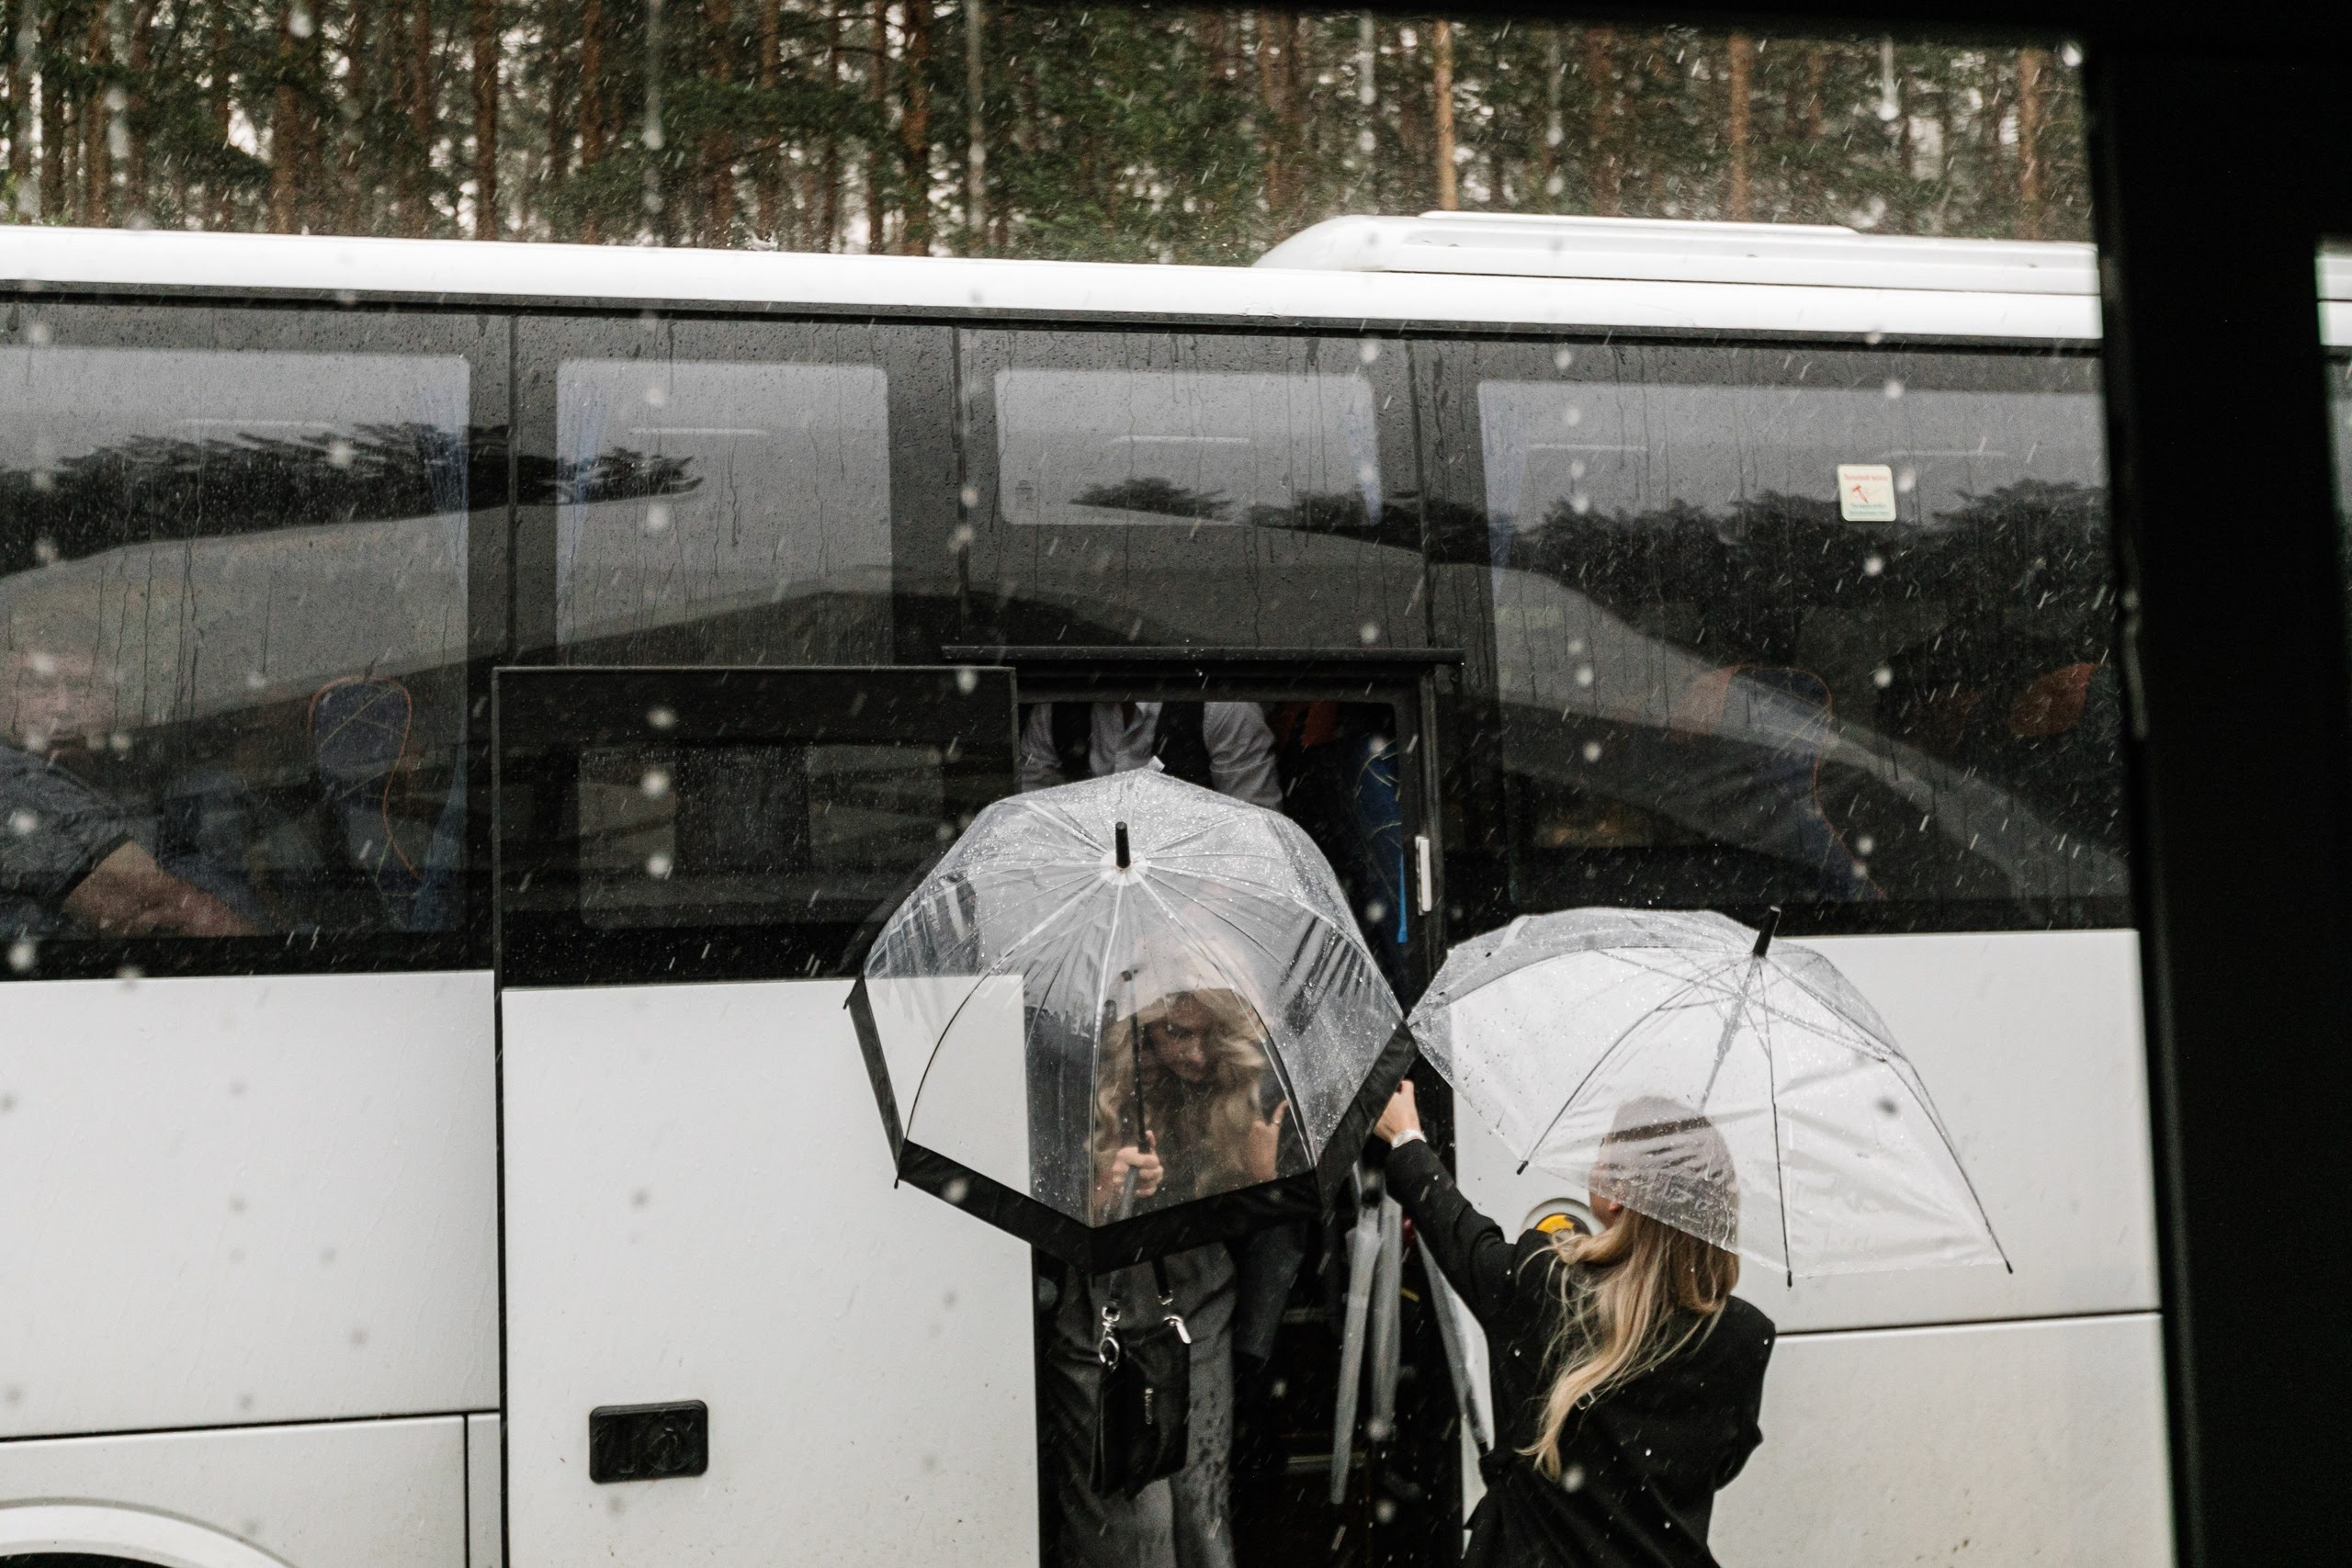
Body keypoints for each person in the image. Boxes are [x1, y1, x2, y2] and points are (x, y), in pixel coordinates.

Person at [1373, 1082, 1775, 1568]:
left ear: (1620, 1195)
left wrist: (1407, 1137)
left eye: (1603, 1151)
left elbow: (1458, 1233)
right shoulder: (1745, 1335)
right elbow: (1718, 1468)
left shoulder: (1546, 1288)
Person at [1040, 958, 1297, 1568]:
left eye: (1209, 1032)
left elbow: (1260, 1231)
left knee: (1202, 1519)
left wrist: (1263, 1180)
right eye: (1176, 1032)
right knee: (1136, 1536)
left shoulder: (1234, 1083)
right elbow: (1042, 1213)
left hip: (1198, 1314)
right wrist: (1102, 1192)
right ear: (1140, 1026)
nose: (1195, 1052)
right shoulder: (1086, 1078)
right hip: (1103, 1327)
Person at [1018, 700, 1283, 810]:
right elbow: (1028, 816)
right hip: (1088, 895)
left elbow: (1257, 833)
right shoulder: (1055, 710)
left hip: (1197, 898)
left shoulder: (1222, 708)